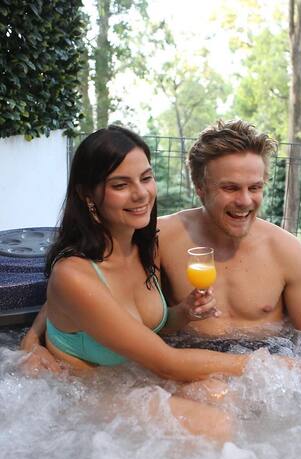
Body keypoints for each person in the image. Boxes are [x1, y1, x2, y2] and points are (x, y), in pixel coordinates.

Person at [21, 124, 273, 442]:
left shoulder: (145, 247)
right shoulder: (74, 274)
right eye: (120, 184)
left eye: (145, 178)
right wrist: (263, 364)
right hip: (84, 392)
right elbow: (168, 363)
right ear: (88, 195)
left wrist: (183, 313)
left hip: (133, 375)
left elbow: (150, 327)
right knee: (216, 426)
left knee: (224, 395)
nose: (141, 193)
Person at [23, 119, 301, 363]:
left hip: (268, 372)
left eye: (255, 187)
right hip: (184, 364)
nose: (245, 201)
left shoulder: (288, 252)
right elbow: (84, 283)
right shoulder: (158, 237)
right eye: (230, 188)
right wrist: (33, 338)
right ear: (200, 187)